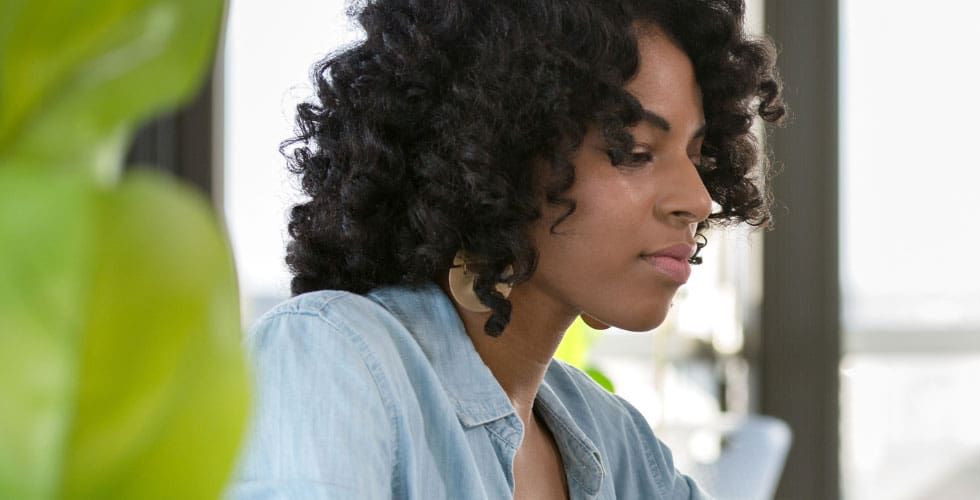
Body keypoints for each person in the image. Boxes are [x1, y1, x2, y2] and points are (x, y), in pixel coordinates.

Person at [226, 0, 783, 498]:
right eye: (634, 150)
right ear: (494, 154)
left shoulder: (617, 443)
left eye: (697, 154)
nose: (699, 199)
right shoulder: (334, 358)